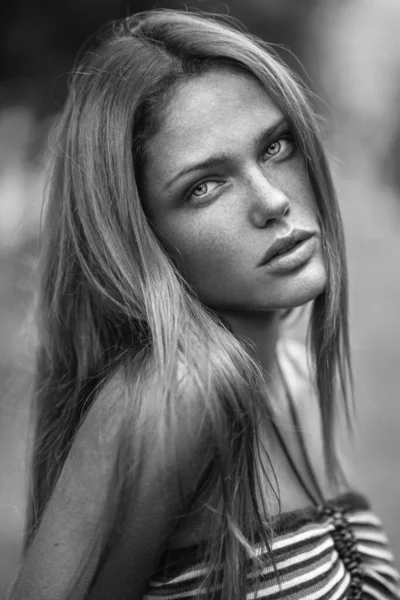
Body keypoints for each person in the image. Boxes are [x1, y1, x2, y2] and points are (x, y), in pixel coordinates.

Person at [9, 9, 400, 600]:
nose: (272, 201)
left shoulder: (290, 370)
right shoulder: (184, 392)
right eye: (204, 186)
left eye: (276, 146)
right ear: (139, 235)